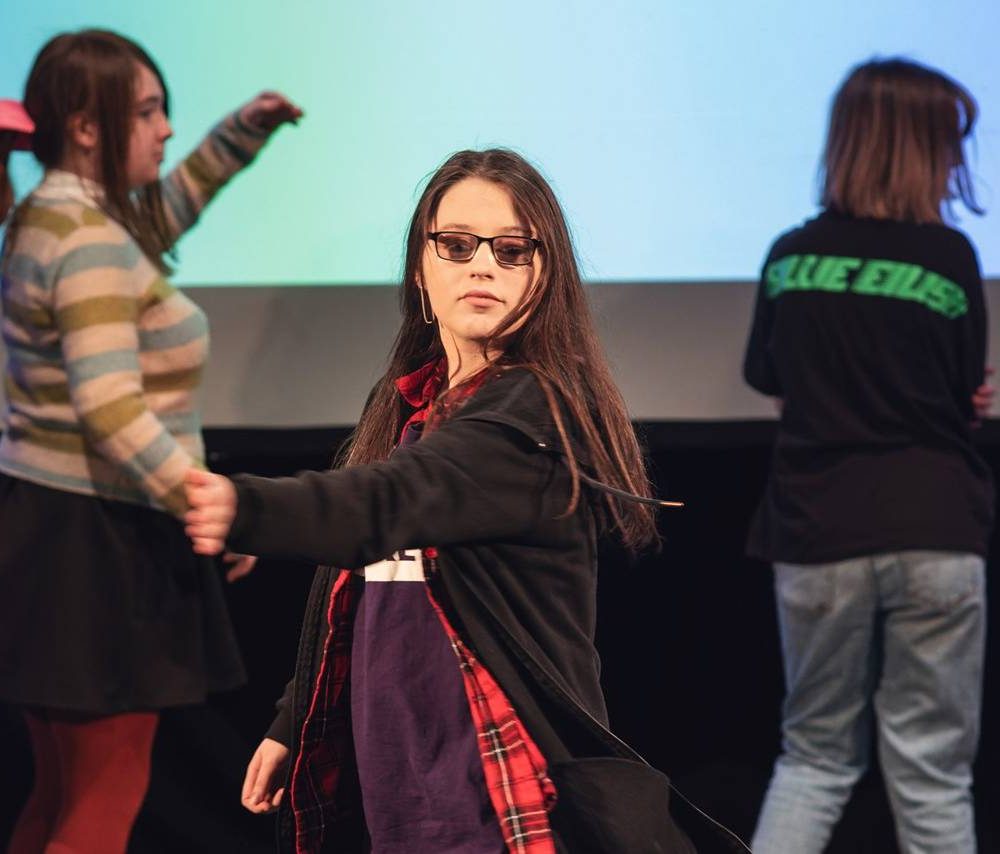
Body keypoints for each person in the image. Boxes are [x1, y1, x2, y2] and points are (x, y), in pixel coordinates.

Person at [183, 149, 718, 853]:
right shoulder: (408, 409)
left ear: (543, 273)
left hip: (497, 799)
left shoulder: (531, 415)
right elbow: (357, 583)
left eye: (511, 250)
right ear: (420, 269)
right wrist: (295, 718)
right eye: (457, 245)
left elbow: (384, 503)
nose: (483, 266)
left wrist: (244, 508)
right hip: (401, 787)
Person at [0, 29, 301, 854]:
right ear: (86, 126)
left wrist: (241, 134)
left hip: (48, 537)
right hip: (98, 549)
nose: (165, 128)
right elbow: (108, 405)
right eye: (147, 110)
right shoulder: (88, 238)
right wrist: (207, 500)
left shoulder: (53, 214)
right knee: (100, 805)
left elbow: (160, 214)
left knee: (59, 799)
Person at [743, 58, 993, 854]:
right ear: (920, 148)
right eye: (952, 142)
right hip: (935, 528)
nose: (960, 161)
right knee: (934, 778)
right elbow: (962, 390)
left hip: (819, 531)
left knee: (813, 760)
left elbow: (766, 376)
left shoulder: (790, 256)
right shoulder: (949, 258)